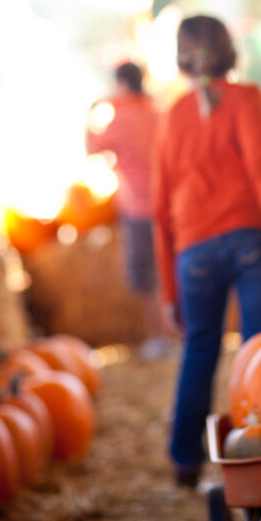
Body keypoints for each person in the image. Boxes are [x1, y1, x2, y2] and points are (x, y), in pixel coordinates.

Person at [152, 15, 261, 488]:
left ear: (183, 57)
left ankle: (184, 460)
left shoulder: (171, 117)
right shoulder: (246, 97)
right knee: (258, 350)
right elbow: (260, 158)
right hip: (249, 240)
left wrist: (168, 292)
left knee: (199, 349)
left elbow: (159, 208)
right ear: (227, 51)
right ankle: (260, 457)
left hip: (192, 251)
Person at [85, 61, 172, 359]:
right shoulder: (158, 113)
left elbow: (92, 150)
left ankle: (159, 338)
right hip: (168, 204)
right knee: (171, 270)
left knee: (144, 275)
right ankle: (182, 333)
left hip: (138, 208)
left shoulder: (120, 119)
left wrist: (91, 112)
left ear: (121, 84)